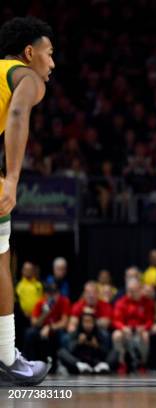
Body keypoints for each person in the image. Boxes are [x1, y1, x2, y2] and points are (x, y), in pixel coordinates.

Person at [0, 16, 55, 385]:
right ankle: (6, 357)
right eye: (49, 54)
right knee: (0, 261)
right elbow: (18, 112)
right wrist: (13, 179)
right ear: (30, 52)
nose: (52, 64)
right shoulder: (26, 77)